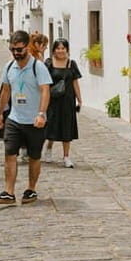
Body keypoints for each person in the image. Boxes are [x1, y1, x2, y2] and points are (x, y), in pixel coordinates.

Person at [0, 30, 52, 205]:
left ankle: (31, 189)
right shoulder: (9, 66)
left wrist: (41, 114)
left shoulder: (38, 67)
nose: (16, 53)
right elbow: (5, 90)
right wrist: (0, 113)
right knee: (9, 154)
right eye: (13, 49)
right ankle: (9, 192)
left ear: (27, 47)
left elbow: (45, 90)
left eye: (19, 49)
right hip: (14, 119)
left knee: (34, 156)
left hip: (34, 120)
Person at [42, 39, 83, 168]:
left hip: (67, 100)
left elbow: (75, 82)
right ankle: (49, 147)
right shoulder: (48, 63)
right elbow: (44, 83)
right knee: (52, 126)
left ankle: (66, 156)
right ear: (54, 50)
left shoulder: (72, 64)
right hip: (52, 100)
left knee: (67, 128)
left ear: (67, 49)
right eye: (58, 48)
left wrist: (79, 99)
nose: (60, 50)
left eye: (63, 48)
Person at [20, 32, 48, 161]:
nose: (46, 48)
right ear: (37, 44)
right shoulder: (35, 57)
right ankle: (28, 149)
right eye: (44, 45)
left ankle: (26, 149)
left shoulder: (30, 55)